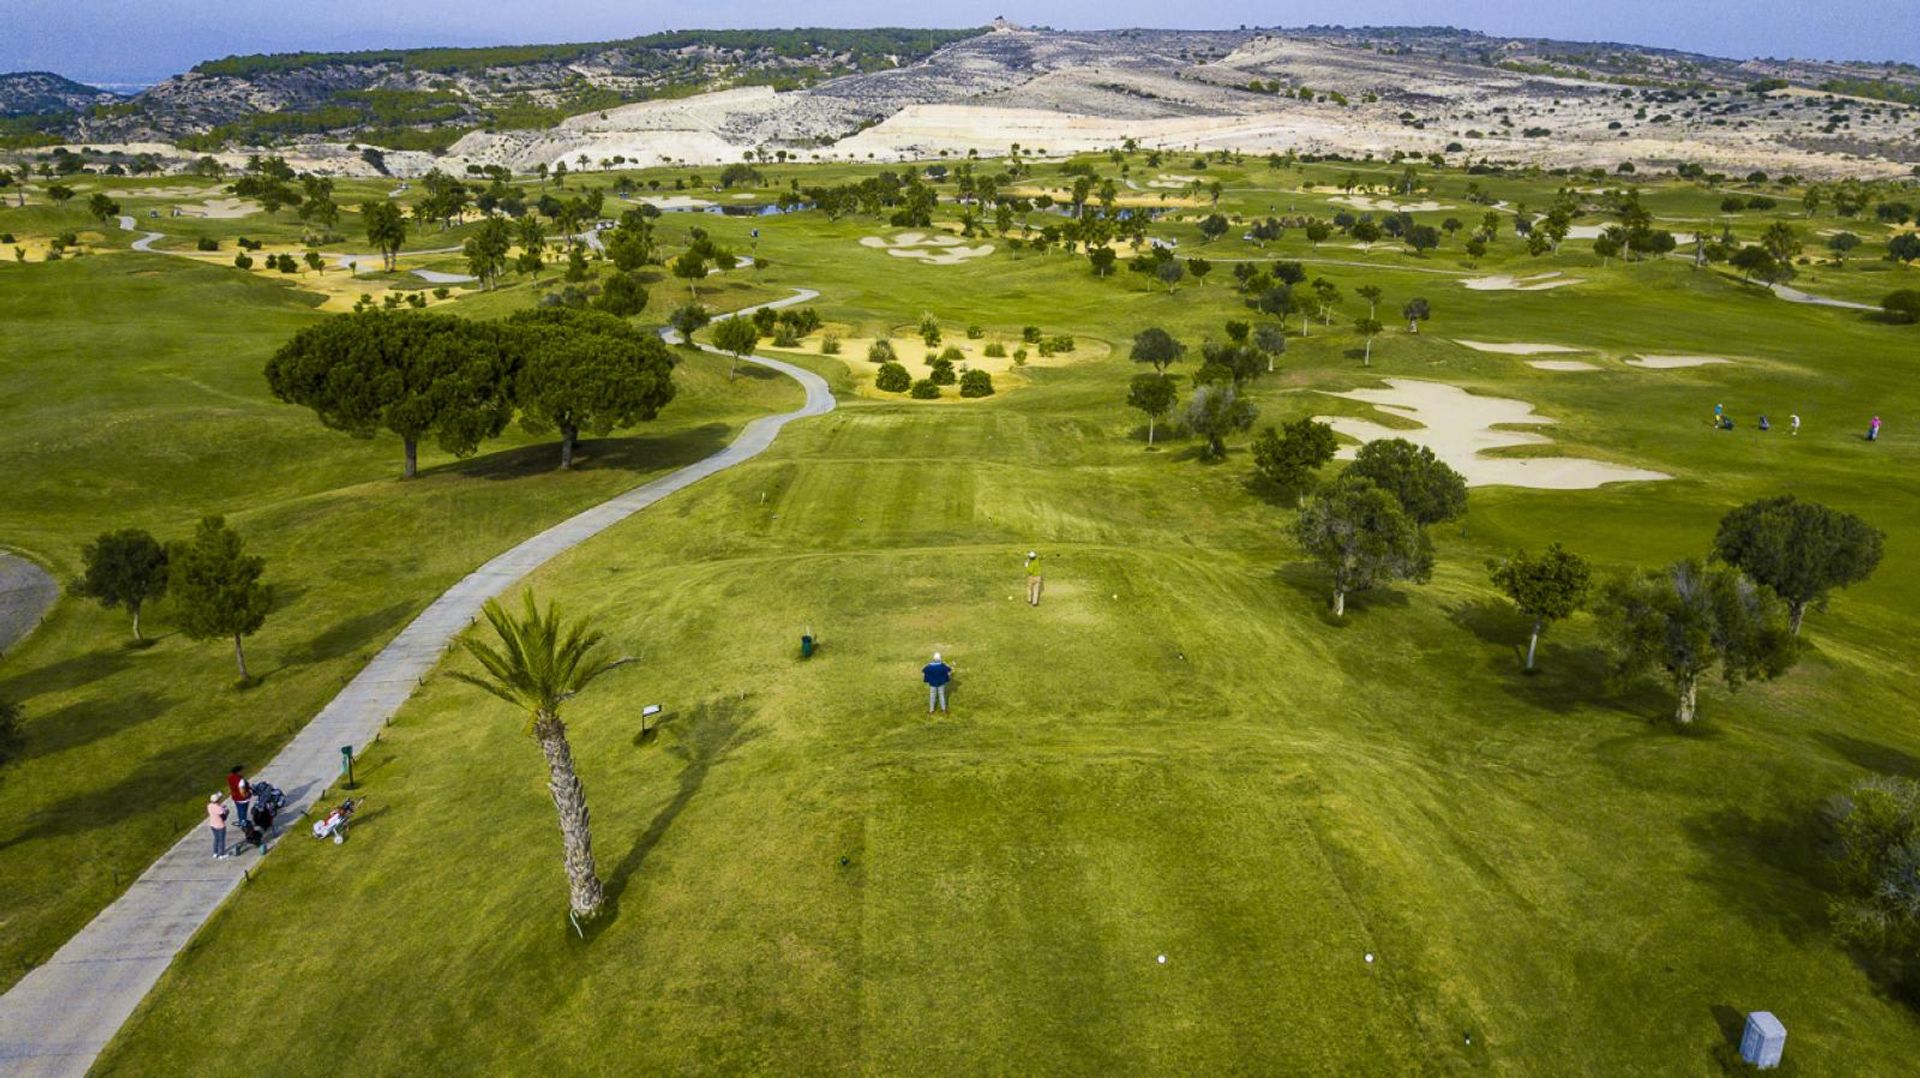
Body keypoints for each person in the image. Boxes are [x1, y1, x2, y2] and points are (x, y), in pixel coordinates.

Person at [206, 793, 230, 860]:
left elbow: (216, 807)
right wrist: (227, 811)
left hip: (212, 825)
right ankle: (222, 854)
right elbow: (224, 817)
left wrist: (222, 807)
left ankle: (215, 853)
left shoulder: (209, 806)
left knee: (216, 839)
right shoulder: (219, 808)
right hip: (220, 826)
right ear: (218, 800)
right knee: (221, 840)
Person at [227, 765, 250, 829]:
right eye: (241, 771)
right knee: (243, 811)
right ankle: (243, 822)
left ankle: (241, 820)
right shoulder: (240, 781)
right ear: (238, 772)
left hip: (235, 797)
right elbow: (242, 792)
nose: (243, 772)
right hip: (242, 799)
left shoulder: (230, 777)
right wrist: (247, 795)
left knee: (239, 810)